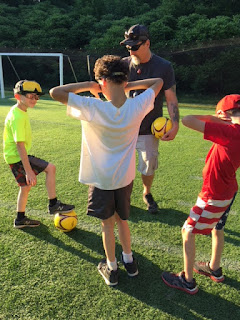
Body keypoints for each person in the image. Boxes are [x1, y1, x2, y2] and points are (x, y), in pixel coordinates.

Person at [49, 55, 163, 286]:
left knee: (107, 224)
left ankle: (111, 269)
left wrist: (89, 86)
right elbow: (158, 81)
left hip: (101, 181)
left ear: (102, 81)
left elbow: (55, 92)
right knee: (122, 220)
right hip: (125, 178)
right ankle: (129, 262)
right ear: (125, 80)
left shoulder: (92, 107)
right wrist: (129, 84)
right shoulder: (138, 105)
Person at [162, 94, 240, 294]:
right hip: (228, 190)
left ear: (224, 114)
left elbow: (188, 120)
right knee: (217, 228)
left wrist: (213, 118)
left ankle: (187, 281)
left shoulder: (230, 131)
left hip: (214, 193)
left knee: (187, 231)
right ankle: (214, 269)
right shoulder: (233, 131)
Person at [120, 24, 179, 214]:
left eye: (135, 46)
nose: (131, 50)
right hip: (124, 127)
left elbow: (171, 98)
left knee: (148, 166)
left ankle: (146, 192)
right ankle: (123, 195)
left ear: (147, 43)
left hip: (149, 128)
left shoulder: (163, 66)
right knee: (122, 165)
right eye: (128, 46)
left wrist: (175, 123)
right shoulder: (122, 64)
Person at [3, 80, 75, 229]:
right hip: (16, 156)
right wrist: (28, 170)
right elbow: (19, 145)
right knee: (51, 168)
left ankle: (20, 219)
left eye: (36, 97)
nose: (34, 100)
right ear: (18, 96)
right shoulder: (18, 116)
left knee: (25, 187)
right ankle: (53, 204)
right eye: (30, 96)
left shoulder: (18, 111)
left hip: (12, 155)